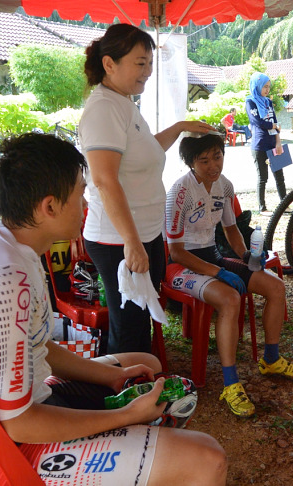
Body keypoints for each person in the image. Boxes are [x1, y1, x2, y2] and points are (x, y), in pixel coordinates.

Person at [0, 133, 227, 485]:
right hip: (1, 450)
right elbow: (20, 422)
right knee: (208, 458)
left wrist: (111, 376)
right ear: (50, 207)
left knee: (145, 364)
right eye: (81, 192)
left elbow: (37, 346)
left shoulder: (6, 244)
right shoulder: (2, 279)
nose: (87, 202)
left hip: (22, 406)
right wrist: (126, 415)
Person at [79, 24, 212, 354]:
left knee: (141, 321)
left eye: (150, 63)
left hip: (143, 235)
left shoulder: (123, 103)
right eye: (140, 63)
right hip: (118, 240)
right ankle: (125, 396)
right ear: (109, 63)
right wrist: (132, 242)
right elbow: (104, 179)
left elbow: (145, 151)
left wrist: (180, 127)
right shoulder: (104, 109)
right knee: (129, 326)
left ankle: (143, 387)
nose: (148, 72)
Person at [165, 133, 293, 417]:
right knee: (230, 299)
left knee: (276, 287)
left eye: (217, 156)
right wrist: (218, 271)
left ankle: (271, 358)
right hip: (179, 265)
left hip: (212, 256)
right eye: (203, 160)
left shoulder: (225, 186)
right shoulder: (179, 192)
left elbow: (231, 229)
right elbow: (177, 252)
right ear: (191, 162)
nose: (213, 165)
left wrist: (245, 256)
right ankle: (230, 383)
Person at [246, 72, 286, 215]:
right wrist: (274, 126)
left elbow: (274, 121)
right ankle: (262, 208)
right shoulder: (250, 101)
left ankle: (284, 204)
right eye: (264, 86)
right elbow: (258, 122)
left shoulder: (268, 102)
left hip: (273, 143)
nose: (267, 90)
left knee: (279, 176)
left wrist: (278, 142)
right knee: (263, 178)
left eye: (269, 87)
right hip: (259, 145)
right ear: (257, 86)